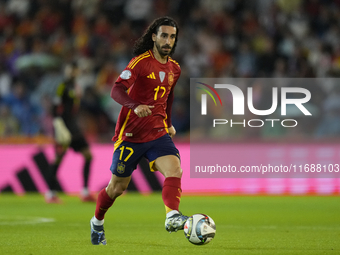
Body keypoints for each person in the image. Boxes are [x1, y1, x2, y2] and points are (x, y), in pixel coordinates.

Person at [90, 16, 188, 245]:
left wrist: (169, 122)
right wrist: (135, 106)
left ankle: (172, 215)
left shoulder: (175, 68)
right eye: (164, 35)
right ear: (154, 37)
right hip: (130, 136)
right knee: (116, 188)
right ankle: (97, 221)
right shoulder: (140, 62)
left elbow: (169, 96)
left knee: (175, 169)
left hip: (157, 133)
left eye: (172, 36)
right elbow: (116, 90)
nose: (168, 40)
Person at [45, 62, 96, 203]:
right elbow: (55, 108)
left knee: (88, 155)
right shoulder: (62, 87)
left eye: (74, 70)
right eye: (70, 70)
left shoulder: (76, 87)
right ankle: (50, 194)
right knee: (58, 158)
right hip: (63, 126)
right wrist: (58, 125)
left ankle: (85, 192)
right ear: (66, 71)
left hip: (74, 127)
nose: (72, 73)